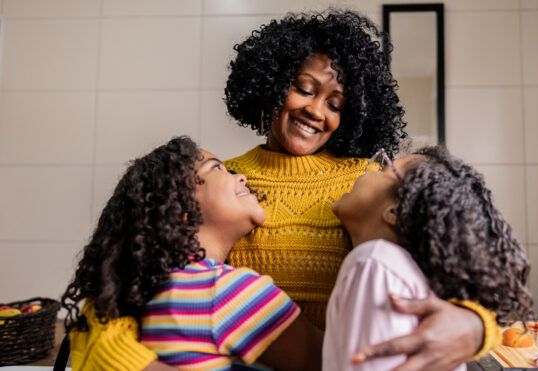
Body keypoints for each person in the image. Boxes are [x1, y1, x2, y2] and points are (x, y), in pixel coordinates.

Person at [74, 10, 499, 370]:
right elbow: (121, 281)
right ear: (272, 84)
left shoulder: (368, 187)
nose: (316, 111)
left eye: (335, 104)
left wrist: (474, 326)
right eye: (304, 89)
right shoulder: (223, 189)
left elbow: (459, 258)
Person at [61, 137, 322, 370]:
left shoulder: (157, 290)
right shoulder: (224, 290)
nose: (241, 177)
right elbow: (335, 361)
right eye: (218, 168)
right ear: (180, 207)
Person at [324, 146, 534, 370]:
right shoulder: (399, 269)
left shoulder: (376, 263)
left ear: (395, 212)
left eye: (382, 167)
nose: (365, 172)